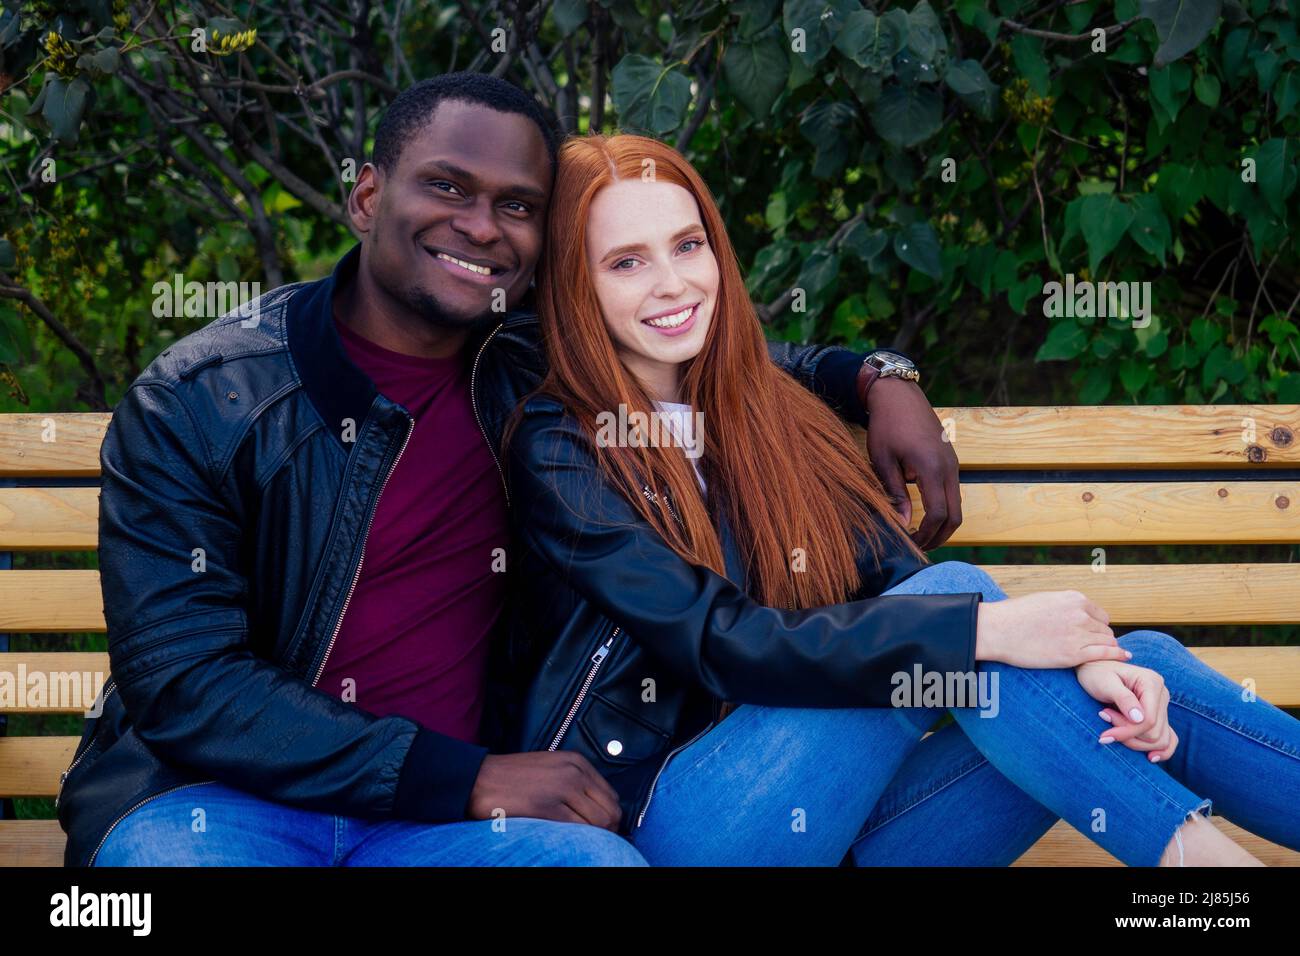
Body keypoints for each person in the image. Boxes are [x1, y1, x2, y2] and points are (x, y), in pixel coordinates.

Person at [58, 73, 958, 867]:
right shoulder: (199, 399)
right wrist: (466, 775)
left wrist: (881, 377)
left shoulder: (529, 362)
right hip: (214, 808)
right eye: (446, 187)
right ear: (368, 197)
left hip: (447, 834)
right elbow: (186, 685)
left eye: (517, 205)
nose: (481, 226)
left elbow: (718, 349)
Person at [501, 131, 1300, 866]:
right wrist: (988, 626)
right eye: (627, 262)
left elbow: (893, 586)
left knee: (1137, 668)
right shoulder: (561, 443)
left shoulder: (763, 408)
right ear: (575, 284)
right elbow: (722, 642)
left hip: (845, 830)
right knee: (959, 615)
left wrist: (1093, 660)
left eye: (687, 245)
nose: (674, 283)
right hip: (669, 830)